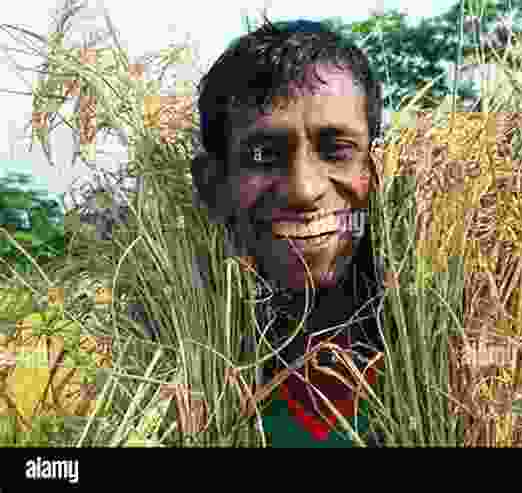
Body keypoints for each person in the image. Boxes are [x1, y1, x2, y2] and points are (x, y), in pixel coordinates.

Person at [190, 17, 388, 447]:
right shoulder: (173, 372)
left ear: (379, 170)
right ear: (212, 184)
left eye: (337, 150)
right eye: (263, 155)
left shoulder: (453, 357)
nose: (304, 190)